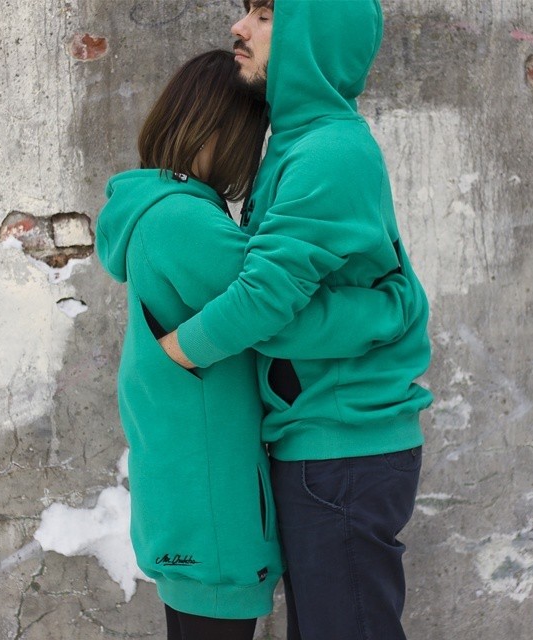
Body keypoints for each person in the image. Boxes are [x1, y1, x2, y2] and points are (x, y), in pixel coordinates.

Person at [96, 49, 421, 640]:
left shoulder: (158, 209)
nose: (258, 153)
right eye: (255, 133)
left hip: (193, 493)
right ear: (220, 131)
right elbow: (270, 308)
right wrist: (387, 309)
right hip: (212, 503)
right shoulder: (182, 220)